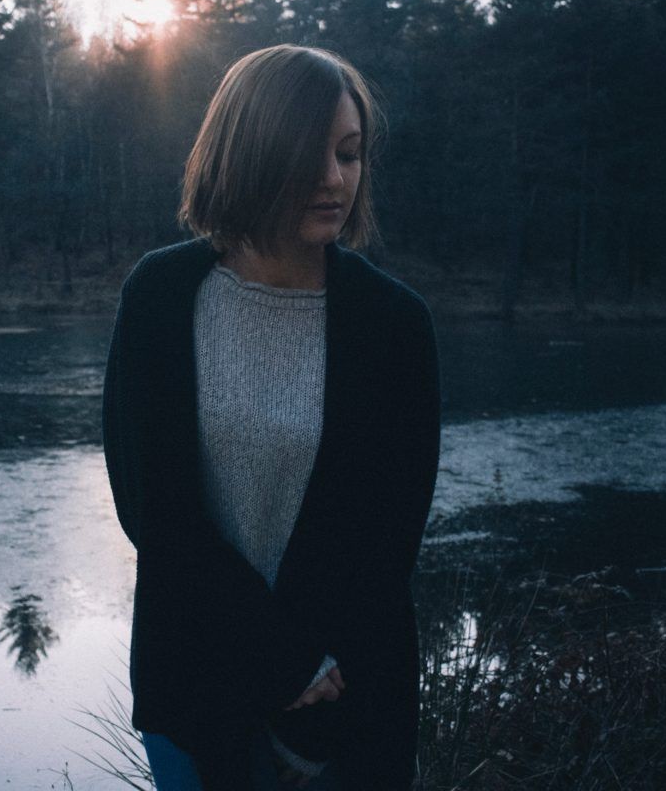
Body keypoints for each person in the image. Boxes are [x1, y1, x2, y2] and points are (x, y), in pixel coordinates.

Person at [101, 44, 441, 791]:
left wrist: (311, 687)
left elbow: (387, 544)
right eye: (307, 156)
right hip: (194, 684)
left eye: (349, 154)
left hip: (345, 702)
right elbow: (152, 509)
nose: (335, 179)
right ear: (248, 156)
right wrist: (277, 662)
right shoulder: (161, 297)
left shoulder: (394, 325)